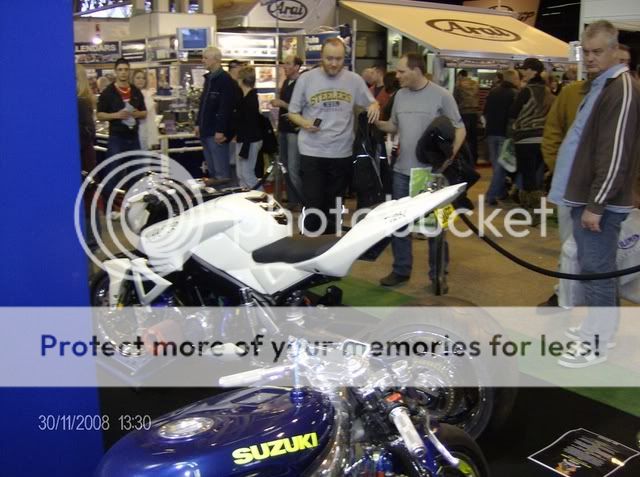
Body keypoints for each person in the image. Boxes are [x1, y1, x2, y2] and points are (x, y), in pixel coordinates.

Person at [554, 21, 640, 368]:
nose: (589, 58)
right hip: (585, 197)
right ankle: (598, 328)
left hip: (598, 203)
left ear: (615, 50)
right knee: (595, 269)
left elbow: (615, 153)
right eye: (586, 52)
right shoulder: (602, 85)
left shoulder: (621, 88)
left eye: (597, 52)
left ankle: (597, 343)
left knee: (597, 271)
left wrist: (597, 204)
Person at [375, 52, 466, 288]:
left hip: (432, 175)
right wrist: (373, 121)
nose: (397, 75)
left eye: (401, 71)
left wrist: (448, 158)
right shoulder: (399, 95)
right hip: (401, 171)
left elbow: (460, 128)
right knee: (399, 224)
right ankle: (401, 270)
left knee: (437, 227)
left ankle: (438, 274)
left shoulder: (442, 95)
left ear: (416, 71)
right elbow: (394, 126)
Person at [288, 37, 379, 234]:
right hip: (312, 151)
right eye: (329, 58)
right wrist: (305, 123)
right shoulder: (306, 79)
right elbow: (292, 112)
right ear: (321, 56)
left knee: (335, 205)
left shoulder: (354, 80)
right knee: (313, 204)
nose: (334, 63)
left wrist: (374, 105)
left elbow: (371, 102)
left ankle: (331, 245)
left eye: (339, 59)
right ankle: (310, 244)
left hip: (341, 153)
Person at [538, 77, 588, 308]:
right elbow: (552, 132)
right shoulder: (571, 93)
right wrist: (559, 167)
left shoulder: (629, 93)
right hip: (571, 185)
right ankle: (564, 293)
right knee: (569, 243)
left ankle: (600, 297)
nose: (591, 60)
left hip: (614, 190)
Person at [96, 57, 146, 206]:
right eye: (120, 70)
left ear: (129, 71)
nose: (123, 72)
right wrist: (116, 115)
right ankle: (108, 206)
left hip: (133, 137)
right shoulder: (108, 93)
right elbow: (100, 115)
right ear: (115, 72)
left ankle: (133, 205)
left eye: (126, 70)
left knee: (137, 172)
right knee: (113, 173)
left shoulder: (135, 91)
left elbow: (144, 112)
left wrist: (137, 114)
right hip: (117, 137)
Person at [508, 57, 554, 220]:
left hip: (525, 138)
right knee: (536, 175)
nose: (523, 72)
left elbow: (513, 112)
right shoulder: (548, 91)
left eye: (526, 69)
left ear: (533, 71)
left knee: (527, 175)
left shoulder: (527, 90)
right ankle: (536, 209)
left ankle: (532, 212)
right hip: (543, 138)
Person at [195, 47, 236, 185]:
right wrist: (198, 124)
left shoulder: (225, 80)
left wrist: (221, 130)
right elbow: (203, 104)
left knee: (221, 174)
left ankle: (224, 195)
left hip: (215, 133)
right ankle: (216, 195)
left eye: (205, 58)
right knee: (213, 172)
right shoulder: (209, 79)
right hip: (206, 131)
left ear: (216, 59)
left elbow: (226, 107)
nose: (203, 60)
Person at [270, 55, 303, 207]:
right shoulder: (285, 82)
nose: (285, 66)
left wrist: (283, 104)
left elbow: (301, 109)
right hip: (283, 128)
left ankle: (298, 200)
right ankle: (291, 198)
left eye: (288, 63)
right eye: (285, 63)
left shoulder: (301, 84)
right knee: (284, 166)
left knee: (293, 167)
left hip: (294, 130)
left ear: (297, 67)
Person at [483, 69, 519, 205]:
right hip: (504, 134)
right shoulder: (514, 94)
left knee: (496, 166)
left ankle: (501, 192)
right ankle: (491, 195)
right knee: (501, 167)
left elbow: (485, 111)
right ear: (513, 79)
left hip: (491, 132)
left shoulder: (493, 92)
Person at [76, 64, 99, 248]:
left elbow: (87, 132)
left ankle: (91, 238)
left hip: (83, 155)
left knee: (88, 196)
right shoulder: (82, 101)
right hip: (84, 154)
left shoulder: (81, 102)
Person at [235, 66, 263, 189]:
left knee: (247, 174)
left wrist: (245, 148)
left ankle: (261, 196)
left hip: (249, 141)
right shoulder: (246, 97)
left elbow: (250, 125)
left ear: (242, 80)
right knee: (241, 174)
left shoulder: (250, 99)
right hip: (245, 140)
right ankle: (245, 197)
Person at [453, 70, 479, 165]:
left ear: (460, 75)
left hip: (463, 113)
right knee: (473, 138)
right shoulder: (475, 84)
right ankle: (474, 159)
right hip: (474, 113)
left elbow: (455, 100)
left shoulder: (458, 85)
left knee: (463, 138)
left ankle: (465, 160)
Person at [131, 69, 159, 151]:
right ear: (133, 79)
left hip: (146, 131)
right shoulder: (130, 94)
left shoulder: (148, 95)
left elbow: (143, 112)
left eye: (143, 78)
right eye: (138, 78)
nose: (141, 80)